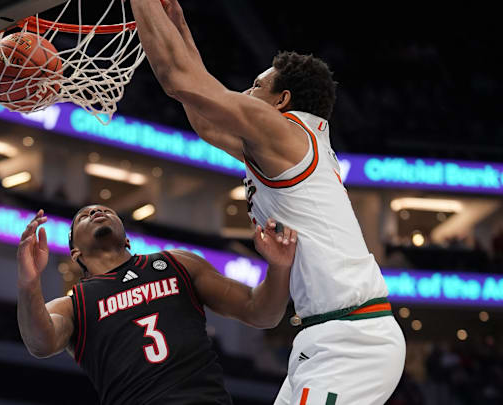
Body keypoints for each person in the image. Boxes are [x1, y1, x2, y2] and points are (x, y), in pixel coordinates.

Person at [129, 1, 406, 404]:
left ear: (281, 102)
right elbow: (203, 118)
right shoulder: (286, 144)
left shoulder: (284, 135)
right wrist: (181, 31)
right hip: (324, 336)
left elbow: (180, 82)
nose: (244, 93)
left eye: (256, 87)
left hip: (354, 341)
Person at [16, 205, 297, 404]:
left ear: (126, 238)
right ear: (75, 253)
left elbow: (261, 311)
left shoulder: (177, 263)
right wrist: (29, 283)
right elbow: (40, 343)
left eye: (105, 210)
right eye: (83, 217)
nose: (96, 212)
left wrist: (279, 266)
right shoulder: (73, 304)